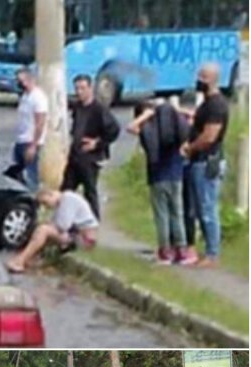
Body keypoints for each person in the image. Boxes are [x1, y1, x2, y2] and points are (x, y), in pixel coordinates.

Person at [128, 100, 190, 264]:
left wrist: (146, 115)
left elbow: (131, 127)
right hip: (176, 176)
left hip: (157, 177)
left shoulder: (148, 133)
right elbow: (191, 119)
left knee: (162, 215)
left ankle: (165, 251)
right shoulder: (177, 131)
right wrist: (177, 110)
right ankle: (181, 249)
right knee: (177, 213)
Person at [181, 63, 230, 268]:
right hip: (198, 161)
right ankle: (207, 250)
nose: (198, 81)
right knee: (199, 208)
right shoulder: (207, 103)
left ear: (211, 79)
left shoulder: (217, 105)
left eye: (203, 77)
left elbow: (210, 136)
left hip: (207, 162)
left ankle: (212, 253)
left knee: (208, 209)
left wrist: (190, 148)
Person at [62, 75, 120, 219]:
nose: (79, 92)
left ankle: (93, 223)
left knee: (90, 192)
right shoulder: (78, 107)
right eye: (77, 88)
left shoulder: (99, 109)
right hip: (75, 156)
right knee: (66, 191)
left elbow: (114, 129)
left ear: (90, 88)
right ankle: (67, 221)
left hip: (90, 158)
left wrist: (97, 143)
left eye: (82, 88)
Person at [7, 190, 99, 273]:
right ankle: (28, 258)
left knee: (43, 230)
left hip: (82, 238)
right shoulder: (62, 203)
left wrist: (48, 224)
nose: (47, 207)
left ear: (51, 195)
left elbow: (63, 225)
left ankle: (20, 261)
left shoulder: (67, 199)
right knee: (42, 230)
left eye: (46, 203)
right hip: (76, 234)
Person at [12, 68, 48, 190]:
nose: (19, 83)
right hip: (21, 141)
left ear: (29, 79)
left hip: (30, 142)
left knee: (30, 177)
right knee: (19, 175)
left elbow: (40, 122)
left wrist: (33, 145)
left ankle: (33, 202)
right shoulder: (25, 96)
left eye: (21, 80)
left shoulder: (38, 97)